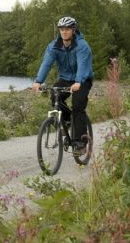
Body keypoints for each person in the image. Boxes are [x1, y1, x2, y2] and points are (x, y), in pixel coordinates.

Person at [31, 16, 94, 152]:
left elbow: (82, 65)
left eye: (67, 29)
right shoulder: (54, 46)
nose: (64, 32)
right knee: (55, 96)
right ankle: (66, 120)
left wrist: (78, 82)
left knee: (78, 105)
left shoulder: (82, 46)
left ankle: (81, 142)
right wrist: (38, 81)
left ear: (73, 30)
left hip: (82, 79)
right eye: (61, 29)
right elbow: (46, 63)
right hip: (65, 78)